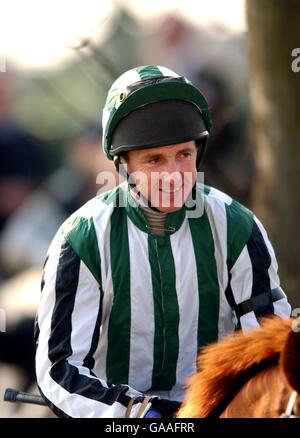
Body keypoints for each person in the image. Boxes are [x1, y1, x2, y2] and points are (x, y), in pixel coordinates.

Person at [35, 65, 291, 418]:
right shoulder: (82, 238)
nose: (173, 175)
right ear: (123, 164)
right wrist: (139, 413)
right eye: (154, 160)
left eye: (183, 155)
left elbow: (266, 353)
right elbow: (59, 370)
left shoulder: (238, 227)